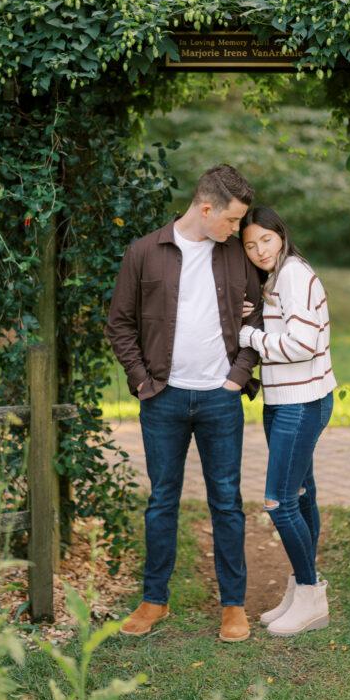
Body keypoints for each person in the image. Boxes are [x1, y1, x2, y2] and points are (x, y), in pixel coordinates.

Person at [105, 164, 263, 642]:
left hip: (221, 399)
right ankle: (155, 599)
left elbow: (258, 326)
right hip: (163, 399)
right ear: (206, 207)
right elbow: (120, 325)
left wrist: (237, 377)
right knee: (161, 503)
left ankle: (233, 606)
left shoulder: (236, 256)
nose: (238, 231)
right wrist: (142, 383)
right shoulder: (144, 253)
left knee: (227, 503)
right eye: (232, 221)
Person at [237, 206, 337, 637]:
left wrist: (249, 336)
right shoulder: (277, 279)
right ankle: (301, 588)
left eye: (267, 240)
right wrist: (255, 313)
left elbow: (302, 343)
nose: (260, 250)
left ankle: (313, 595)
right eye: (250, 244)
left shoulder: (293, 273)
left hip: (301, 402)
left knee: (279, 502)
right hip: (286, 400)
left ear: (282, 235)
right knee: (301, 494)